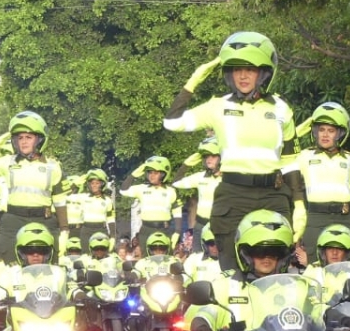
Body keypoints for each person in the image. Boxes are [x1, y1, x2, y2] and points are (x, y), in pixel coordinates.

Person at [163, 32, 304, 274]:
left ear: (264, 72)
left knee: (275, 270)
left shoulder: (282, 108)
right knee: (233, 273)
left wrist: (299, 203)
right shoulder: (218, 106)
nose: (243, 75)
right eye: (237, 68)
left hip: (274, 194)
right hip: (233, 195)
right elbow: (172, 122)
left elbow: (290, 161)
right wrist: (193, 82)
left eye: (250, 68)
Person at [0, 111, 69, 264]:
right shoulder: (7, 162)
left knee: (50, 266)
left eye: (29, 137)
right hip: (13, 221)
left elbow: (60, 200)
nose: (23, 142)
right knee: (8, 265)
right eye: (20, 138)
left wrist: (64, 229)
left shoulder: (53, 166)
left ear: (39, 140)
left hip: (44, 221)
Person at [292, 102, 350, 264]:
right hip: (315, 218)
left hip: (346, 218)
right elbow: (283, 146)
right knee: (314, 264)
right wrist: (298, 131)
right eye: (321, 129)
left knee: (346, 265)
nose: (325, 135)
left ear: (339, 134)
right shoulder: (304, 156)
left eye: (331, 131)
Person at [173, 139, 223, 252]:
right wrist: (185, 165)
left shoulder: (229, 177)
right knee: (197, 257)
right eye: (206, 156)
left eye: (213, 156)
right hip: (200, 225)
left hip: (220, 226)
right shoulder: (200, 177)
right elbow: (176, 182)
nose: (209, 159)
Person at [121, 156, 178, 255]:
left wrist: (177, 231)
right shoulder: (142, 188)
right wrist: (134, 174)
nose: (152, 176)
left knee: (166, 259)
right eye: (150, 172)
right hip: (146, 229)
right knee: (146, 259)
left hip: (164, 229)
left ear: (163, 174)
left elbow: (177, 212)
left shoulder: (170, 191)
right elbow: (123, 190)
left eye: (155, 173)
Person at [74, 169, 114, 245]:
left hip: (101, 230)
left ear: (102, 184)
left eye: (97, 183)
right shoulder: (83, 197)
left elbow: (111, 219)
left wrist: (113, 236)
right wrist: (78, 182)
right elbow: (67, 194)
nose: (94, 185)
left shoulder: (107, 200)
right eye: (92, 183)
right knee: (85, 255)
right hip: (86, 230)